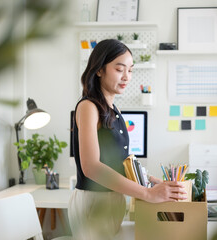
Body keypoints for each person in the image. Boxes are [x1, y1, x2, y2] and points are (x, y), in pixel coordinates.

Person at [68, 39, 187, 240]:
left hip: (113, 200)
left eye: (130, 70)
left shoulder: (114, 110)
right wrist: (148, 193)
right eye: (119, 69)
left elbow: (120, 162)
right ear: (99, 70)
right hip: (93, 203)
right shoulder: (88, 106)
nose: (127, 77)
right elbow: (91, 167)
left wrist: (151, 180)